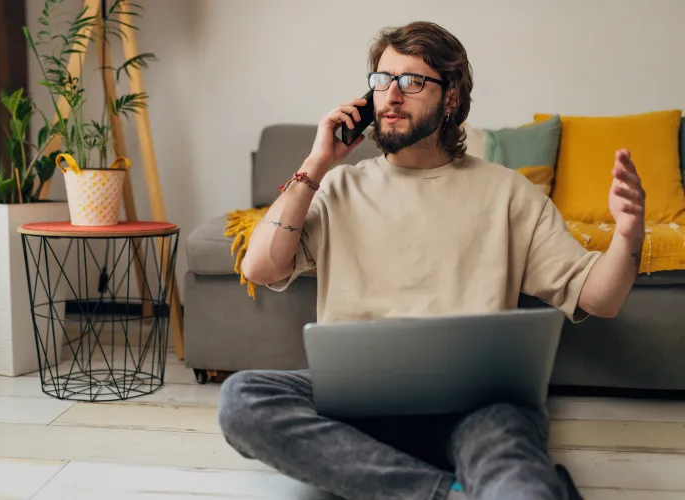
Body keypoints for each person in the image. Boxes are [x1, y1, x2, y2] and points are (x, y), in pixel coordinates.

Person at [217, 21, 646, 500]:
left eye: (412, 81)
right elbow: (260, 268)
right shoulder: (337, 188)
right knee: (242, 400)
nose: (392, 95)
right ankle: (446, 493)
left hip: (478, 406)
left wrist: (628, 234)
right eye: (382, 80)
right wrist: (316, 164)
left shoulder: (507, 193)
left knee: (519, 487)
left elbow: (601, 299)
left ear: (450, 98)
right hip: (357, 401)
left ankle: (401, 483)